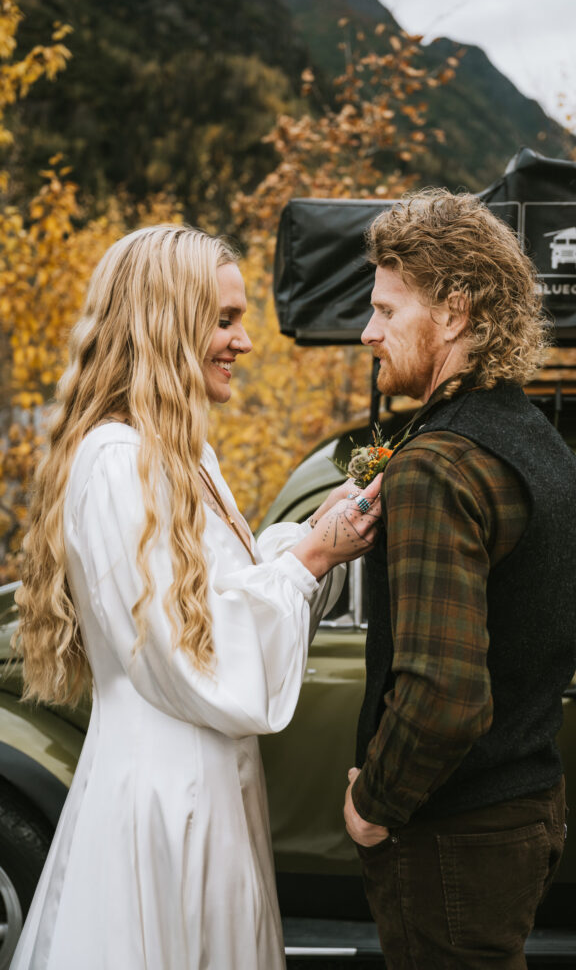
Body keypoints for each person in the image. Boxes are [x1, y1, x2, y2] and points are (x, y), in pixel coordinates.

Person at [11, 224, 381, 970]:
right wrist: (309, 558)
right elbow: (181, 655)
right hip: (163, 796)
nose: (244, 341)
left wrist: (308, 536)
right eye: (224, 320)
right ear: (163, 326)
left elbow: (215, 591)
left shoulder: (180, 453)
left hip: (203, 784)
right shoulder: (120, 462)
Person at [343, 189, 576, 970]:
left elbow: (445, 697)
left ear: (453, 313)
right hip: (528, 807)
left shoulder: (440, 465)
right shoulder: (535, 437)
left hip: (454, 834)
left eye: (386, 310)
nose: (367, 332)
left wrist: (370, 808)